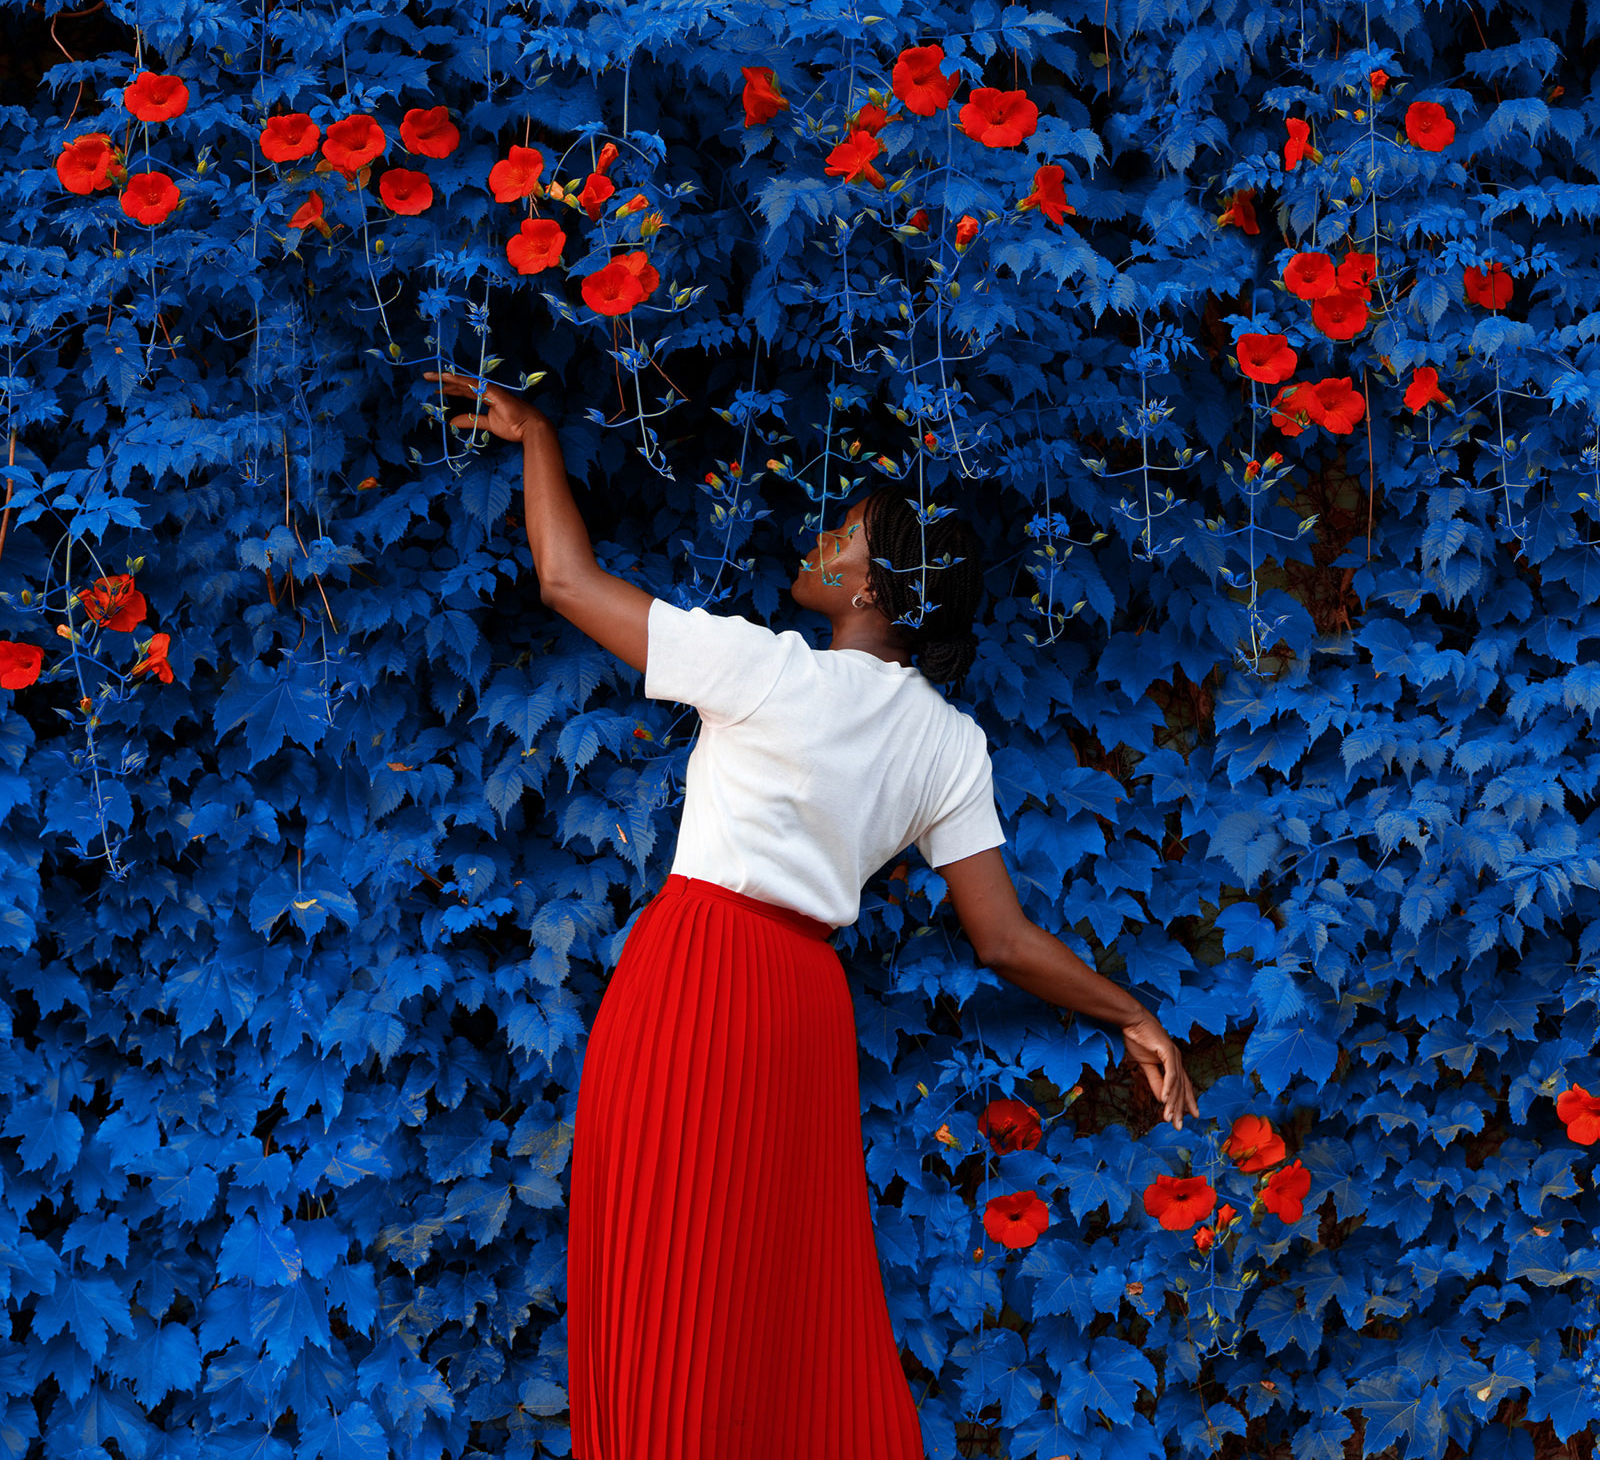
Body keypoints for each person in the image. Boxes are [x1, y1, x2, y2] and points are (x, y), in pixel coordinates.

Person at [429, 370, 1198, 1460]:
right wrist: (1131, 1013)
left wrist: (539, 435)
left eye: (841, 534)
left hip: (694, 976)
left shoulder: (764, 671)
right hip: (798, 1009)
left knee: (660, 1280)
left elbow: (563, 578)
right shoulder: (949, 744)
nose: (818, 542)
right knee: (773, 1315)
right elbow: (1005, 940)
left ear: (876, 584)